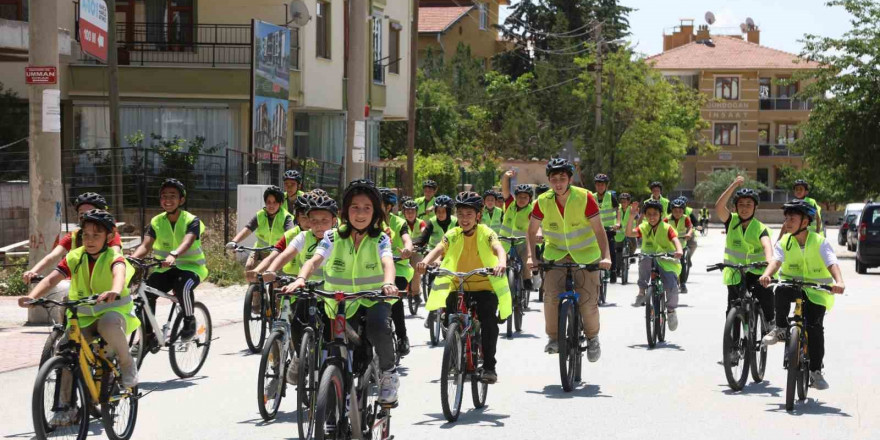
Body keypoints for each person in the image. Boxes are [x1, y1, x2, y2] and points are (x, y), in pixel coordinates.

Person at [282, 179, 400, 404]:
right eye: (355, 207)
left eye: (367, 208)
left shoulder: (380, 238)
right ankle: (339, 393)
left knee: (377, 329)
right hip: (341, 302)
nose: (361, 213)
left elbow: (388, 262)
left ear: (375, 211)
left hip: (375, 298)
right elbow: (315, 260)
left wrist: (388, 283)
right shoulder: (332, 237)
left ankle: (388, 374)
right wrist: (300, 279)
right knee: (339, 349)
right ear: (346, 211)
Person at [20, 210, 139, 425]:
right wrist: (32, 296)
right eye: (86, 235)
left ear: (109, 237)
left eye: (96, 235)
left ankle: (127, 363)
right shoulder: (75, 257)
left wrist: (113, 290)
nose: (90, 240)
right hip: (83, 317)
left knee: (109, 323)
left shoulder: (114, 257)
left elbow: (119, 275)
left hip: (112, 313)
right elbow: (51, 279)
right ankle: (65, 407)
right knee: (65, 350)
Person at [419, 191, 510, 383]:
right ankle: (455, 356)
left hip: (484, 285)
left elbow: (498, 248)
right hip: (458, 284)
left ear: (478, 215)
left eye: (469, 214)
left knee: (489, 323)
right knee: (448, 320)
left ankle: (489, 367)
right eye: (460, 214)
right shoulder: (452, 234)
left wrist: (501, 262)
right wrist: (425, 262)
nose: (464, 219)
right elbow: (438, 249)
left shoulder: (486, 232)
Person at [526, 158, 611, 360]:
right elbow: (530, 230)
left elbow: (599, 230)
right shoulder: (542, 202)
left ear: (570, 179)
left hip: (586, 256)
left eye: (562, 178)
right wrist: (531, 257)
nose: (558, 183)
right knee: (550, 297)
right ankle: (554, 338)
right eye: (554, 179)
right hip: (555, 255)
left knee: (588, 301)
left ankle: (592, 338)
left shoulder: (585, 198)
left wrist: (606, 256)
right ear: (549, 180)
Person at [759, 199, 845, 390]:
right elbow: (776, 261)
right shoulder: (784, 241)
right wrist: (767, 274)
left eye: (792, 218)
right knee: (779, 290)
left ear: (805, 222)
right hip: (793, 286)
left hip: (816, 292)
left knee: (814, 329)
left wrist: (839, 281)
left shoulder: (819, 242)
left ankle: (815, 372)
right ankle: (780, 328)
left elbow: (832, 263)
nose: (787, 222)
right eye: (786, 218)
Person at [262, 193, 337, 384]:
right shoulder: (303, 237)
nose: (319, 225)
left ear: (334, 221)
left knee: (330, 335)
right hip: (309, 291)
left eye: (324, 221)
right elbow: (287, 254)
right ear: (307, 222)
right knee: (296, 323)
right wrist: (271, 269)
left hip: (332, 294)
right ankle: (299, 357)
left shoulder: (338, 238)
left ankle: (328, 370)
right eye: (314, 221)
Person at [130, 178, 207, 344]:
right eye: (164, 196)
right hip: (164, 269)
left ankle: (189, 321)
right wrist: (132, 259)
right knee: (147, 292)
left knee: (183, 286)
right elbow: (146, 245)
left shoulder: (191, 220)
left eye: (173, 196)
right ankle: (148, 335)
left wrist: (174, 254)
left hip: (192, 268)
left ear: (182, 200)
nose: (168, 200)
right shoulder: (156, 221)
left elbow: (187, 241)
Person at [23, 192, 122, 283]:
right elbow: (52, 256)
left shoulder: (111, 235)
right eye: (81, 213)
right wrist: (33, 271)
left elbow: (114, 256)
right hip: (76, 285)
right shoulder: (73, 236)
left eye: (91, 212)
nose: (86, 216)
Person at [714, 177, 774, 324]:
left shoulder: (760, 228)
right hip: (736, 272)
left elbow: (767, 247)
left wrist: (768, 265)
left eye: (749, 204)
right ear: (735, 207)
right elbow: (719, 207)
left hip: (757, 272)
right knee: (732, 308)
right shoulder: (731, 221)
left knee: (765, 294)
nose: (745, 208)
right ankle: (733, 345)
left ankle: (770, 322)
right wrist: (733, 185)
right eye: (741, 204)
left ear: (755, 208)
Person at [625, 199, 683, 331]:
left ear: (660, 215)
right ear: (644, 215)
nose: (652, 217)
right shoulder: (644, 227)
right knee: (644, 261)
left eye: (655, 214)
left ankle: (671, 311)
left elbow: (675, 239)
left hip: (667, 260)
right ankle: (641, 292)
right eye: (649, 214)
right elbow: (629, 233)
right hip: (649, 257)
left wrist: (678, 250)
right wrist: (630, 217)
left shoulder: (667, 227)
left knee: (671, 286)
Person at [379, 187, 414, 356]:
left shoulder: (399, 223)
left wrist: (407, 249)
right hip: (374, 269)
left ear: (388, 206)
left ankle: (402, 337)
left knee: (395, 299)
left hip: (399, 268)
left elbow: (407, 239)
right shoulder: (370, 221)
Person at [225, 185, 295, 270]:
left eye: (275, 202)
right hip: (259, 250)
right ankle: (253, 283)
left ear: (280, 203)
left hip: (277, 251)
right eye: (268, 202)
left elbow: (290, 234)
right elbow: (248, 229)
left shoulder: (286, 217)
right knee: (249, 267)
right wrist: (234, 241)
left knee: (272, 274)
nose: (271, 205)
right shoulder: (260, 215)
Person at [501, 169, 534, 290]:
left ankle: (527, 279)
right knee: (499, 263)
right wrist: (505, 177)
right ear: (515, 197)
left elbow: (536, 226)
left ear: (529, 199)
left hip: (522, 242)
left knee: (525, 262)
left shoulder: (531, 211)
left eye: (525, 197)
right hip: (505, 241)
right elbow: (505, 190)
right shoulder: (510, 203)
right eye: (519, 197)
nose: (521, 199)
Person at [593, 174, 621, 283]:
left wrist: (618, 223)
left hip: (609, 230)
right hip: (595, 229)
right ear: (595, 185)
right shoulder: (592, 197)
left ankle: (613, 271)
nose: (600, 187)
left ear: (606, 186)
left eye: (602, 185)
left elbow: (617, 210)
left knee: (611, 249)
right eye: (598, 184)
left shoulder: (610, 197)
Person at [666, 198, 694, 293]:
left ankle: (682, 284)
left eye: (680, 211)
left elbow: (690, 227)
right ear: (671, 211)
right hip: (669, 245)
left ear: (683, 211)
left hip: (681, 246)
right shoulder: (667, 219)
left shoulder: (685, 218)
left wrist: (689, 234)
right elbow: (660, 228)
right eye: (675, 211)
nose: (677, 213)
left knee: (682, 264)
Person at [402, 199, 427, 303]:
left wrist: (421, 242)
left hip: (417, 250)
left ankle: (416, 293)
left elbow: (424, 232)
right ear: (404, 213)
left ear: (416, 212)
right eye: (407, 211)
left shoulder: (421, 222)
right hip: (404, 250)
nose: (410, 214)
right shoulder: (402, 223)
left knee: (416, 270)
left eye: (412, 211)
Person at [614, 193, 637, 275]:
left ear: (629, 202)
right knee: (618, 249)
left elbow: (637, 219)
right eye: (622, 201)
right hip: (620, 232)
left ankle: (630, 256)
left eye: (625, 201)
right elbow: (618, 219)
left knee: (634, 245)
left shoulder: (632, 209)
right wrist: (617, 224)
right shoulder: (618, 209)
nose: (623, 203)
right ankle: (618, 267)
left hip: (630, 231)